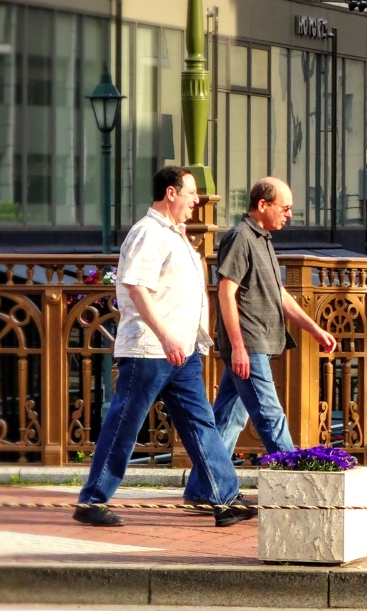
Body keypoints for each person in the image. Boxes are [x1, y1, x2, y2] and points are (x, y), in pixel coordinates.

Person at [74, 166, 256, 528]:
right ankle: (92, 501)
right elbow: (137, 288)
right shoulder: (148, 233)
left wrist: (184, 341)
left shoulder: (174, 235)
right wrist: (165, 335)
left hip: (181, 350)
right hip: (150, 349)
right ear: (171, 193)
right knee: (125, 421)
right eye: (190, 193)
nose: (196, 201)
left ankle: (225, 497)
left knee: (200, 422)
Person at [182, 178, 337, 508]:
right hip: (249, 345)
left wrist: (313, 329)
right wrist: (237, 347)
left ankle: (201, 490)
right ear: (262, 205)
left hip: (256, 344)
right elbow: (226, 292)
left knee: (226, 420)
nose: (289, 215)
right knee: (271, 416)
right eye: (284, 208)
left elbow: (279, 293)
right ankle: (297, 485)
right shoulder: (240, 238)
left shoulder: (262, 239)